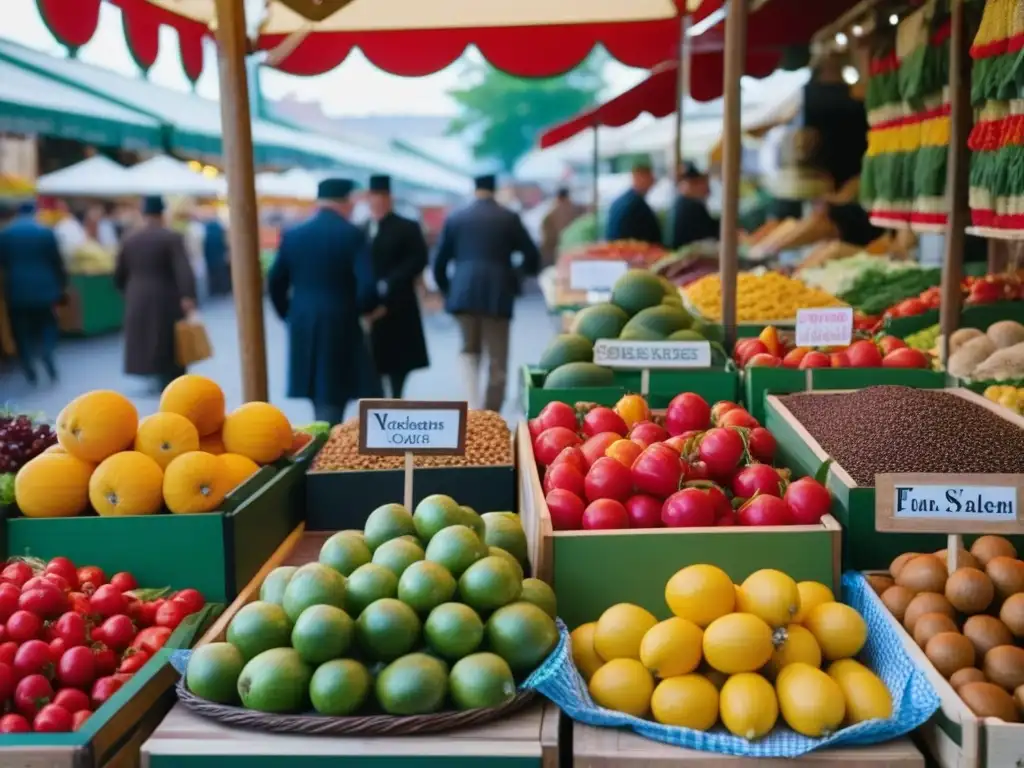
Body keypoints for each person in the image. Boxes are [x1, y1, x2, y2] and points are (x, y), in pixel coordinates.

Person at [268, 178, 382, 425]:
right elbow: (368, 287)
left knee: (317, 390)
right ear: (346, 201)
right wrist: (364, 309)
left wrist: (288, 314)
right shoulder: (352, 234)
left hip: (303, 318)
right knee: (335, 391)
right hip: (342, 318)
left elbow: (276, 281)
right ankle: (327, 451)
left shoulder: (294, 234)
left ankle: (324, 442)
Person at [433, 174, 541, 412]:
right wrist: (515, 277)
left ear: (475, 188)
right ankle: (491, 413)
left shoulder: (456, 217)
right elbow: (532, 256)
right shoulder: (508, 217)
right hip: (498, 292)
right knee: (497, 356)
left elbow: (439, 263)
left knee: (468, 351)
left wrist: (448, 291)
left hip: (463, 291)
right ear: (495, 189)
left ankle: (472, 407)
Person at [114, 196, 196, 391]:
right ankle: (169, 377)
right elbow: (183, 269)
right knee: (167, 338)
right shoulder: (171, 237)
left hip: (137, 294)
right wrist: (188, 295)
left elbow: (119, 272)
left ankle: (153, 372)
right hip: (166, 295)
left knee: (145, 337)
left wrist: (127, 291)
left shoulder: (130, 238)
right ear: (162, 213)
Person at [365, 175, 430, 398]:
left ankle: (396, 398)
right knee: (371, 360)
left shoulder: (407, 227)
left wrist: (390, 282)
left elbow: (418, 259)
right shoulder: (362, 228)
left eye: (383, 196)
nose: (379, 201)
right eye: (375, 196)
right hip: (370, 305)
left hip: (399, 304)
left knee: (398, 362)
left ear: (390, 199)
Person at [0, 201, 66, 384]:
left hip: (17, 290)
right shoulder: (46, 232)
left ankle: (28, 364)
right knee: (48, 324)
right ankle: (47, 352)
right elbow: (57, 262)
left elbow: (3, 263)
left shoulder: (5, 234)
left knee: (22, 331)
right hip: (45, 288)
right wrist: (61, 286)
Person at [605, 160, 662, 245]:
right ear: (637, 177)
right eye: (649, 177)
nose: (653, 181)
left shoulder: (622, 201)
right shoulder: (635, 205)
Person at [670, 162, 720, 249]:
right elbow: (710, 234)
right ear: (691, 184)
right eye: (703, 182)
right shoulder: (691, 207)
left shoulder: (681, 202)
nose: (707, 188)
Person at [540, 187, 585, 269]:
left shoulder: (549, 215)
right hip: (576, 254)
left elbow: (547, 241)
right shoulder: (577, 210)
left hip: (558, 255)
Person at [202, 208, 230, 296]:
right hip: (212, 254)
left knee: (219, 272)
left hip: (217, 254)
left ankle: (221, 290)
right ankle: (218, 290)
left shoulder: (215, 226)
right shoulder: (208, 227)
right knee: (216, 272)